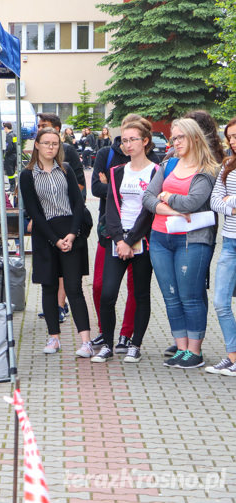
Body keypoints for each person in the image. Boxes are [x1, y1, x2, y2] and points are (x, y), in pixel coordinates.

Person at [143, 118, 219, 369]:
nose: (176, 142)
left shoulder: (207, 170)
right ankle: (182, 348)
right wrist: (173, 212)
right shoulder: (168, 164)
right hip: (160, 238)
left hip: (193, 240)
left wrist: (169, 198)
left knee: (190, 295)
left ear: (195, 137)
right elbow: (147, 198)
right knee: (171, 296)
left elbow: (192, 203)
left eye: (180, 137)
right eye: (173, 138)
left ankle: (194, 352)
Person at [19, 128, 94, 356]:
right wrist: (54, 240)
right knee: (49, 287)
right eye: (47, 143)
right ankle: (54, 338)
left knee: (74, 288)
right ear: (37, 146)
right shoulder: (27, 175)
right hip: (46, 235)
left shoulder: (66, 169)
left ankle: (86, 341)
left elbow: (78, 203)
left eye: (55, 144)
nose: (51, 147)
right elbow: (34, 211)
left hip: (71, 231)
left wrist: (72, 235)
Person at [89, 114, 159, 353]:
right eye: (125, 140)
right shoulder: (118, 171)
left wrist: (131, 240)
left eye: (133, 139)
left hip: (143, 241)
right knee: (107, 293)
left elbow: (149, 211)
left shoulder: (156, 171)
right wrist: (120, 240)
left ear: (145, 141)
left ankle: (134, 344)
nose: (127, 144)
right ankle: (107, 344)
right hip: (117, 240)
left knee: (140, 294)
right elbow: (112, 206)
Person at [208, 118, 236, 375]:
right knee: (221, 301)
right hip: (229, 243)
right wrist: (230, 204)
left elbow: (225, 200)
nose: (234, 141)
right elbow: (214, 201)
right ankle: (232, 355)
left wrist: (231, 199)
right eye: (231, 137)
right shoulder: (227, 166)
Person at [37, 113, 85, 197]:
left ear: (56, 129)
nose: (40, 129)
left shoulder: (68, 150)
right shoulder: (37, 151)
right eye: (39, 126)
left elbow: (80, 183)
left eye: (44, 126)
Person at [3, 122, 18, 192]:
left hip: (9, 156)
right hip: (15, 155)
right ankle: (14, 186)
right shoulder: (14, 134)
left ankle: (12, 186)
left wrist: (6, 153)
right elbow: (15, 145)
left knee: (10, 172)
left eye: (4, 128)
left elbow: (9, 146)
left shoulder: (9, 135)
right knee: (13, 171)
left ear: (6, 128)